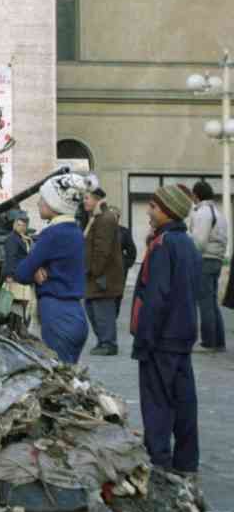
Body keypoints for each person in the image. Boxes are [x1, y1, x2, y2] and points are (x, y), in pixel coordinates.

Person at [132, 185, 201, 477]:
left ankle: (159, 461)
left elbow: (156, 297)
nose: (149, 212)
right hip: (183, 335)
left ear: (168, 211)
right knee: (184, 401)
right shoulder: (187, 243)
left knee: (157, 401)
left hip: (160, 339)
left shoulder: (162, 245)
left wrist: (145, 341)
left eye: (154, 207)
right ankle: (186, 462)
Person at [15, 173, 92, 364]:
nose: (39, 203)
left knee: (58, 378)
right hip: (75, 313)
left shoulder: (51, 234)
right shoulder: (75, 232)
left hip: (56, 314)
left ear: (55, 204)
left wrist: (33, 270)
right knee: (70, 376)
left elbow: (22, 273)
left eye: (43, 199)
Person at [83, 187, 125, 356]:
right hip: (96, 275)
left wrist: (94, 271)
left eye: (87, 198)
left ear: (96, 199)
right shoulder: (97, 217)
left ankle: (108, 344)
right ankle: (103, 342)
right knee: (94, 309)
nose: (84, 201)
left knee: (103, 311)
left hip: (102, 276)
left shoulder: (105, 219)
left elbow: (102, 249)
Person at [188, 180, 227, 351]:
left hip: (204, 259)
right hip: (217, 259)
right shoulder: (219, 212)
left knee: (204, 303)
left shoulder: (203, 212)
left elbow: (199, 241)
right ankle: (219, 341)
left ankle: (208, 342)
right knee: (211, 302)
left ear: (196, 194)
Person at [1, 211, 35, 333]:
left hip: (22, 275)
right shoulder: (11, 239)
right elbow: (10, 258)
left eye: (23, 225)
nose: (20, 227)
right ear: (14, 224)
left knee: (22, 302)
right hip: (14, 275)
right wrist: (9, 275)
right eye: (18, 224)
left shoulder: (24, 239)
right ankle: (14, 329)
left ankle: (18, 329)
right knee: (15, 301)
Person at [109, 206, 138, 316]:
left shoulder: (124, 232)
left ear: (118, 218)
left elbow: (132, 252)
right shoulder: (100, 230)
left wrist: (124, 265)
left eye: (114, 215)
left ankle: (113, 316)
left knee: (116, 297)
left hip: (119, 272)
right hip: (103, 271)